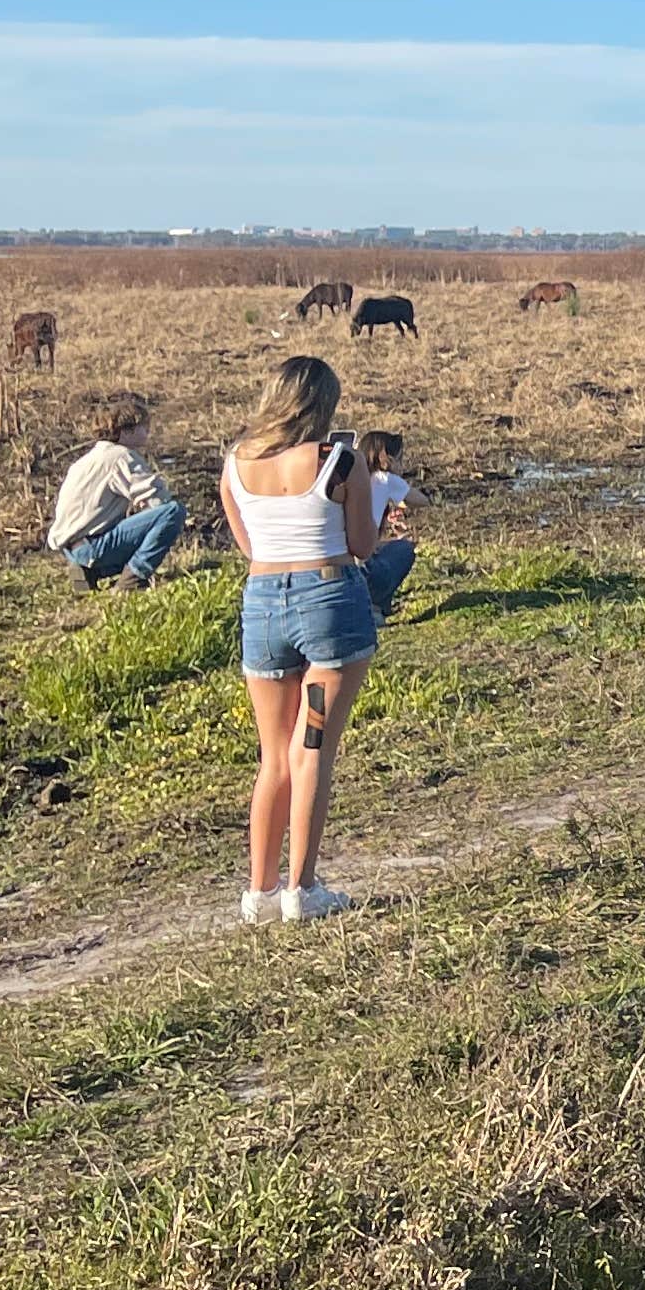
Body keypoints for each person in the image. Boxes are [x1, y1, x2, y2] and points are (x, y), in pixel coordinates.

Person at [218, 355, 379, 930]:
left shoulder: (235, 464)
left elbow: (248, 545)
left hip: (263, 604)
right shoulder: (339, 461)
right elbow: (362, 544)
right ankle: (301, 889)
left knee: (273, 756)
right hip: (329, 599)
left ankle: (259, 891)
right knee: (311, 749)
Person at [43, 395, 182, 591]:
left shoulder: (86, 460)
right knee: (173, 512)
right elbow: (156, 499)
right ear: (126, 432)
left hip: (73, 548)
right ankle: (133, 580)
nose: (148, 432)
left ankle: (87, 571)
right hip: (94, 547)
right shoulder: (122, 457)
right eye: (143, 427)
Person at [355, 428, 419, 616]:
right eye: (399, 459)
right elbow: (422, 501)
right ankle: (376, 604)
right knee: (404, 548)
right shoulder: (385, 479)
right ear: (387, 459)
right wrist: (398, 496)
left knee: (381, 547)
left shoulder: (351, 481)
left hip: (337, 572)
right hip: (364, 574)